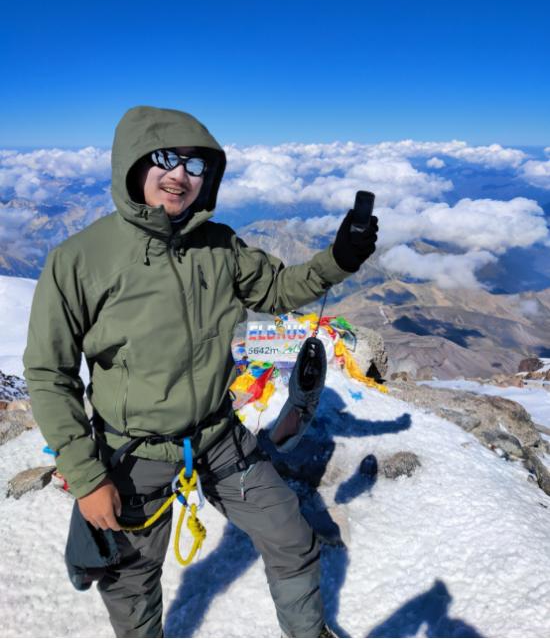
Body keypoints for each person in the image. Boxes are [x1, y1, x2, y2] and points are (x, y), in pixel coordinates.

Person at [24, 106, 378, 638]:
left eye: (194, 166)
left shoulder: (220, 246)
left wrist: (340, 258)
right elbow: (49, 372)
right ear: (132, 164)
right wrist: (88, 475)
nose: (179, 176)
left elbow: (278, 290)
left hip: (218, 436)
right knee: (131, 581)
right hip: (133, 451)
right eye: (165, 159)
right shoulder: (80, 260)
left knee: (291, 538)